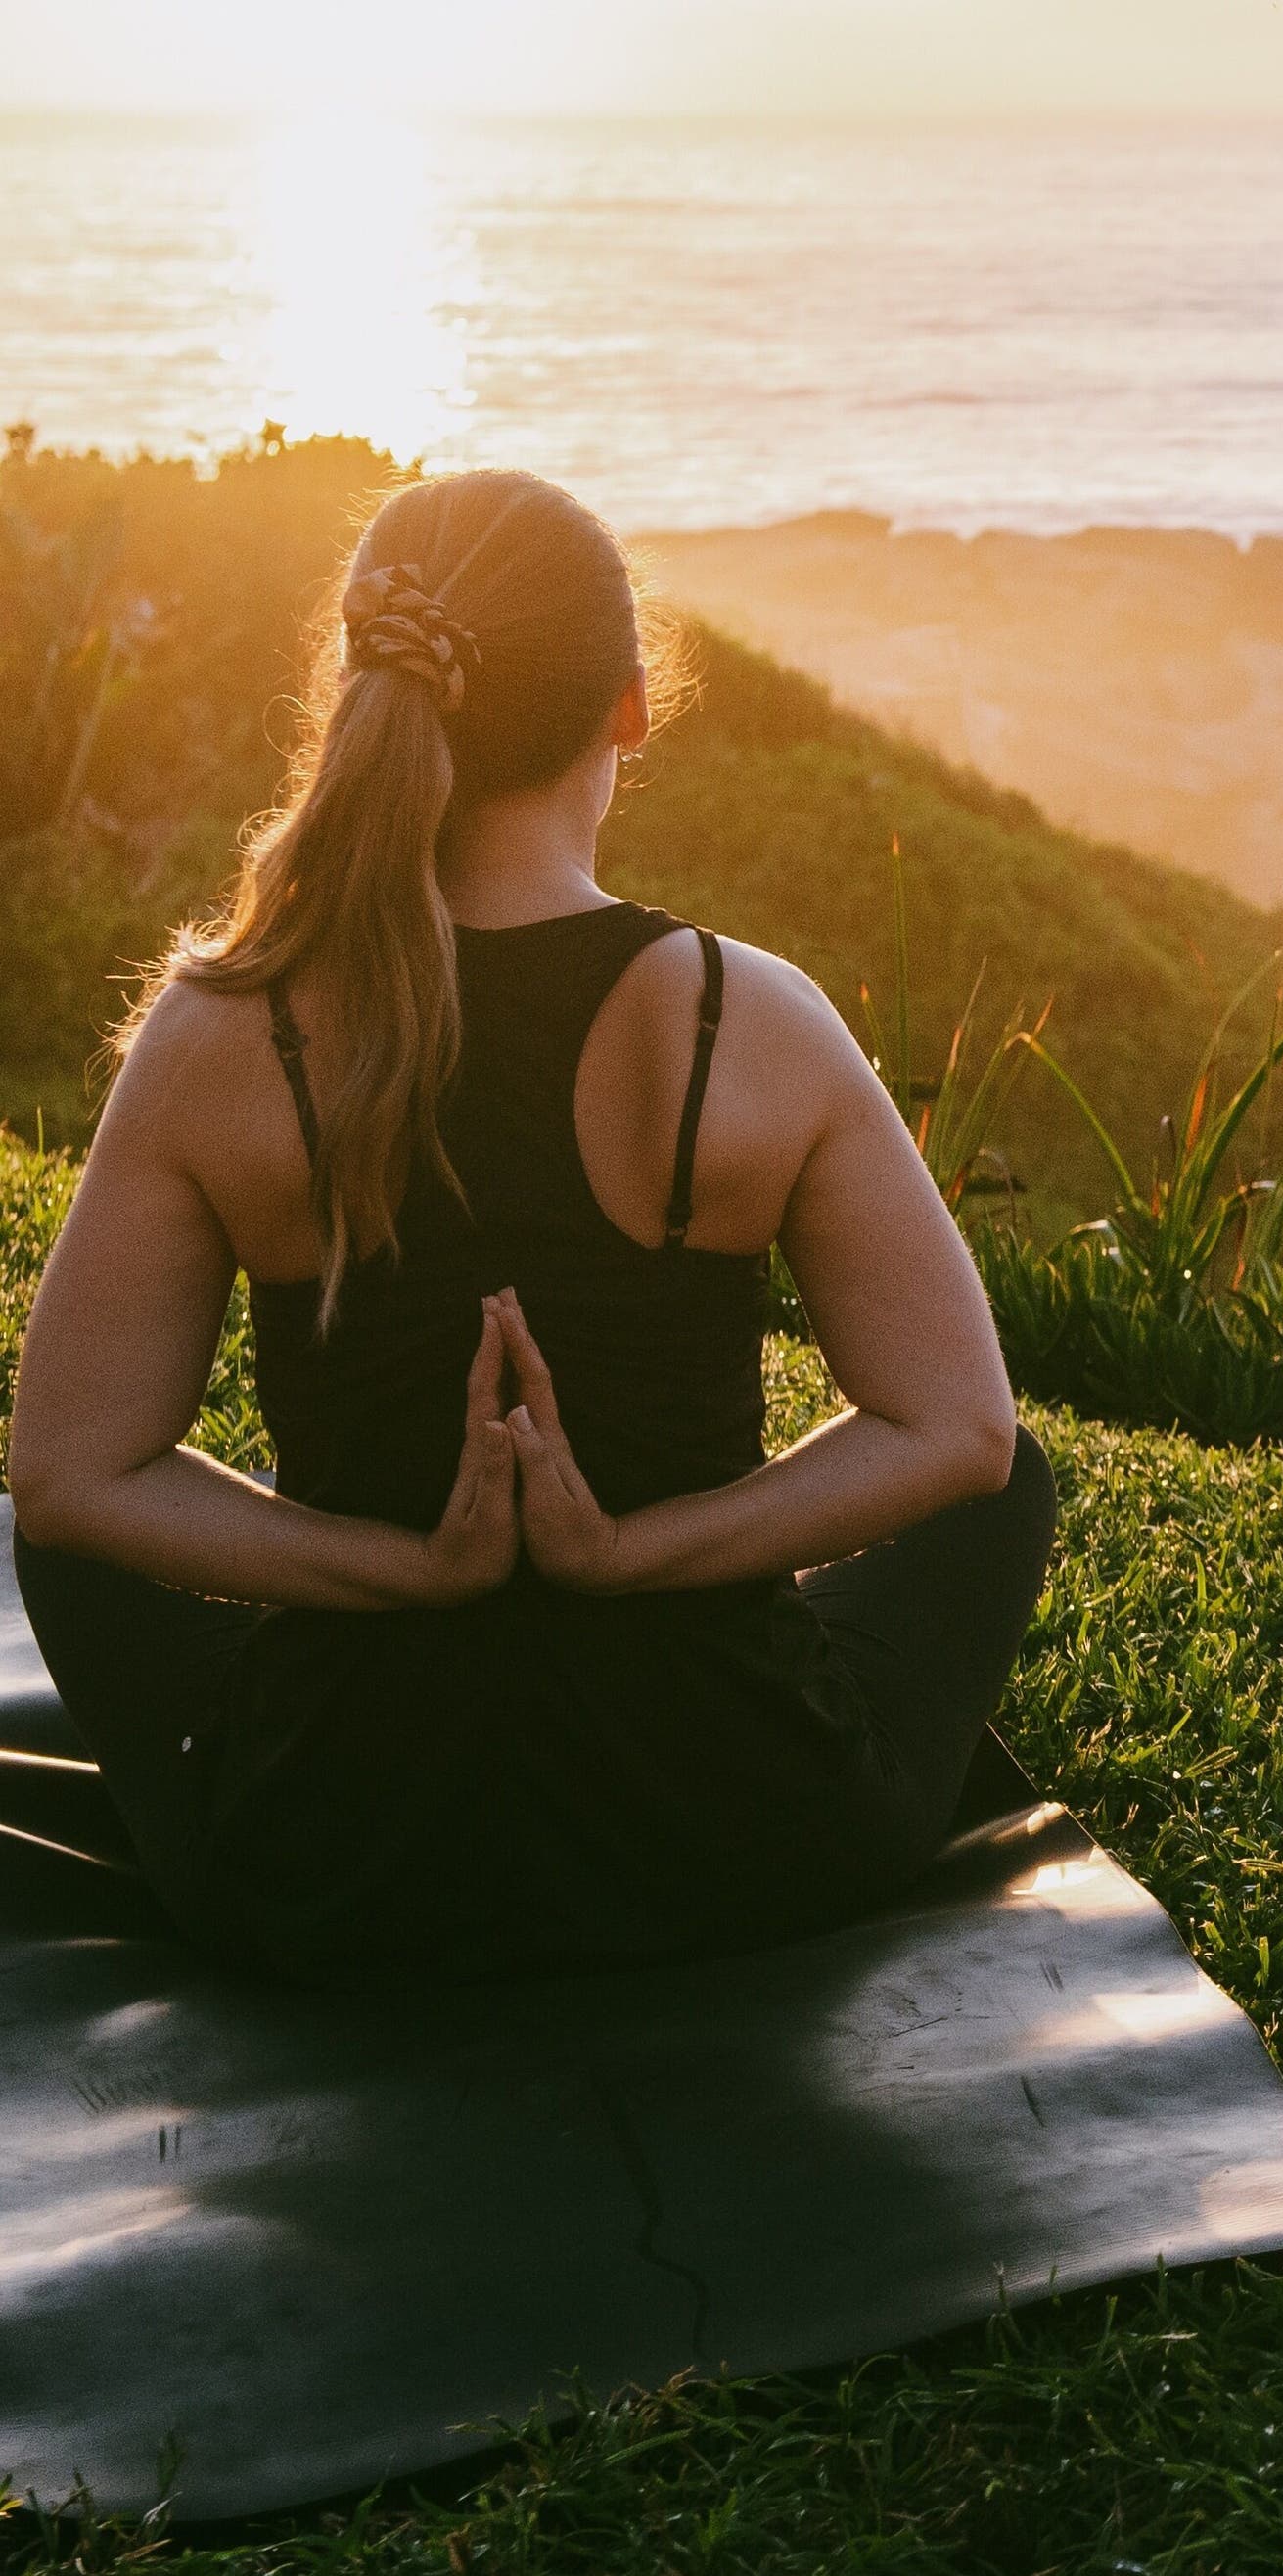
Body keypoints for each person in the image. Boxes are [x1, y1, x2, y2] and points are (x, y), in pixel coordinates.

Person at [5, 469, 1051, 1987]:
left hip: (329, 1864)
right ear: (627, 710)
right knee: (1013, 1477)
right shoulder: (747, 1018)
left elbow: (64, 1472)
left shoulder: (223, 1031)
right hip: (744, 1835)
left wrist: (405, 1568)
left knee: (69, 1541)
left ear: (363, 685)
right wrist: (630, 1554)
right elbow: (956, 1433)